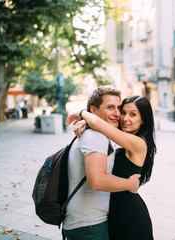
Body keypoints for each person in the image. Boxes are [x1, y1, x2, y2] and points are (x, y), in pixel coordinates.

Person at [67, 95, 156, 240]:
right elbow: (101, 126)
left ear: (143, 119)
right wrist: (86, 123)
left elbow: (97, 122)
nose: (125, 118)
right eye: (123, 112)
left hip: (129, 213)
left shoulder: (139, 143)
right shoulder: (124, 137)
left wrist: (82, 113)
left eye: (133, 114)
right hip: (115, 210)